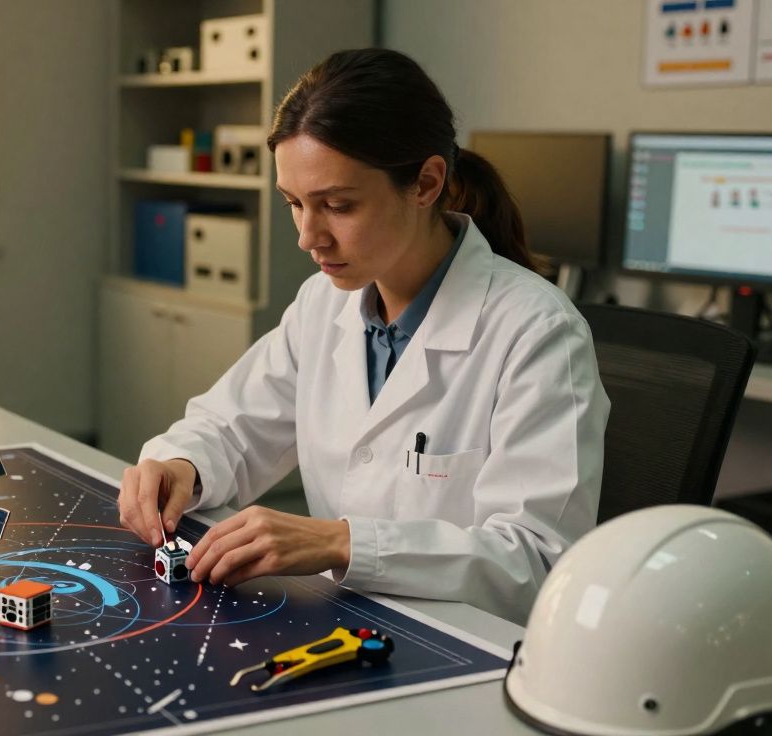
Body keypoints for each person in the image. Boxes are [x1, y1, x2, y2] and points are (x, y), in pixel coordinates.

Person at [115, 48, 610, 624]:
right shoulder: (324, 305)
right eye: (295, 205)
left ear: (426, 183)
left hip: (470, 650)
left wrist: (342, 544)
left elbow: (538, 560)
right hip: (349, 622)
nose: (308, 237)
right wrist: (182, 466)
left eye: (338, 206)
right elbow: (232, 427)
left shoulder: (537, 332)